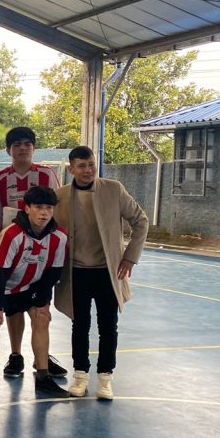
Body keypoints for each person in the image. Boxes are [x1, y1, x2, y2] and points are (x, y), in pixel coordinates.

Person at [54, 146, 148, 401]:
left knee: (109, 327)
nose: (88, 170)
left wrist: (130, 256)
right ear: (71, 169)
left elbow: (141, 221)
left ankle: (106, 378)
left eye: (91, 165)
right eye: (81, 166)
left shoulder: (114, 189)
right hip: (76, 272)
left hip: (109, 271)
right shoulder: (60, 196)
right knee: (79, 326)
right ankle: (80, 376)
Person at [0, 186, 70, 402]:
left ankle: (43, 376)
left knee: (42, 319)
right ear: (27, 208)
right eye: (38, 207)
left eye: (49, 208)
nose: (44, 213)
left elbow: (53, 272)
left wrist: (42, 303)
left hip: (28, 286)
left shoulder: (60, 237)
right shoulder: (12, 234)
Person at [0, 126, 66, 379]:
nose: (23, 148)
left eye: (27, 144)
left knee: (41, 309)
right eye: (17, 144)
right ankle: (15, 355)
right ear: (8, 150)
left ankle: (42, 359)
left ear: (33, 148)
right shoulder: (0, 178)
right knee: (13, 307)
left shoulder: (47, 175)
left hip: (40, 250)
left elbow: (57, 209)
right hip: (11, 250)